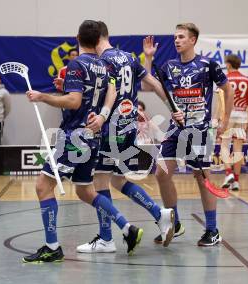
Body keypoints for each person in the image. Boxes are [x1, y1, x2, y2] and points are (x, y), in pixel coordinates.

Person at [22, 20, 142, 263]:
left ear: (77, 37)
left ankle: (52, 246)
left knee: (43, 187)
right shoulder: (103, 65)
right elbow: (111, 92)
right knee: (85, 191)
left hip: (74, 137)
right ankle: (127, 228)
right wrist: (102, 115)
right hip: (93, 137)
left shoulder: (77, 64)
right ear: (98, 39)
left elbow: (75, 101)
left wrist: (42, 96)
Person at [76, 21, 182, 253]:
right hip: (128, 128)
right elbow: (152, 83)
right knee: (118, 181)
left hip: (108, 130)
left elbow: (105, 95)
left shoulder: (101, 62)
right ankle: (159, 213)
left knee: (99, 183)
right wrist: (172, 108)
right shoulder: (128, 57)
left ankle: (106, 239)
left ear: (92, 41)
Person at [143, 23, 234, 246]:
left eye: (181, 37)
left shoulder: (207, 65)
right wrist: (148, 59)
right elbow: (148, 87)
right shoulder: (169, 66)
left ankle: (212, 230)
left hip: (200, 129)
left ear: (193, 40)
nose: (177, 40)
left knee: (202, 178)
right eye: (175, 37)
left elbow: (227, 89)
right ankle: (175, 223)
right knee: (161, 173)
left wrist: (224, 120)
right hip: (175, 129)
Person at [220, 54, 248, 191]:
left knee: (224, 145)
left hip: (228, 114)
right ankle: (236, 182)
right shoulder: (247, 80)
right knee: (238, 149)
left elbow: (221, 102)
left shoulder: (225, 79)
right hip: (242, 116)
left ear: (228, 64)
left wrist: (218, 119)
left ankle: (228, 173)